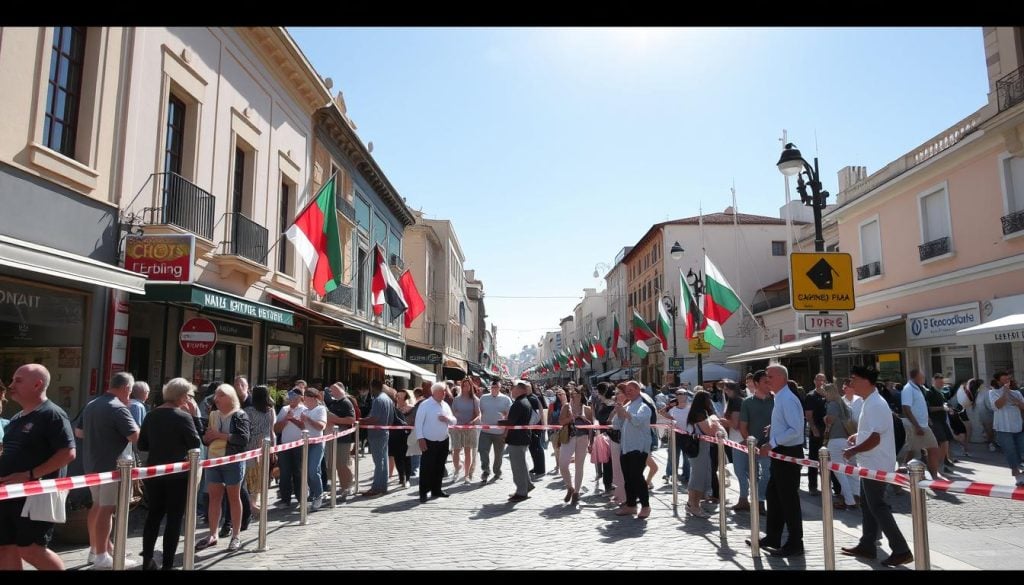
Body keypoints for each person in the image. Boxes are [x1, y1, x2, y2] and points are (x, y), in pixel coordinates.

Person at [0, 364, 76, 571]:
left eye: (18, 380)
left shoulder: (52, 414)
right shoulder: (17, 418)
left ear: (37, 384)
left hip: (35, 497)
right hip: (9, 495)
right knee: (5, 547)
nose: (11, 385)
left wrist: (29, 475)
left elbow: (68, 453)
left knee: (30, 548)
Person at [840, 366, 913, 567]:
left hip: (877, 464)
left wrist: (853, 450)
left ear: (866, 381)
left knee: (877, 506)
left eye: (854, 379)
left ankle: (901, 549)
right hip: (870, 463)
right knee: (869, 504)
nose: (850, 383)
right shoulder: (869, 402)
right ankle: (867, 544)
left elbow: (875, 438)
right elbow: (871, 433)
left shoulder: (875, 404)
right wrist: (858, 437)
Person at [78, 372, 141, 569]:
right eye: (129, 391)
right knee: (107, 510)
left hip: (92, 464)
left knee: (97, 507)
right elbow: (135, 436)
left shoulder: (91, 404)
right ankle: (102, 557)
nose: (129, 396)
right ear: (126, 388)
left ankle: (96, 549)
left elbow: (79, 432)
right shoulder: (119, 408)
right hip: (112, 466)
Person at [138, 378, 202, 570]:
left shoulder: (151, 415)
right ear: (182, 396)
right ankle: (167, 564)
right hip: (177, 475)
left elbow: (142, 444)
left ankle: (147, 559)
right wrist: (194, 417)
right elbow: (195, 443)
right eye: (189, 395)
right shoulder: (182, 417)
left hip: (154, 472)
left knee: (154, 515)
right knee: (174, 518)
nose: (190, 399)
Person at [748, 364, 805, 557]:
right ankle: (773, 536)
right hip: (782, 453)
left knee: (788, 500)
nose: (767, 380)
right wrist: (775, 427)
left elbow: (796, 430)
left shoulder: (787, 399)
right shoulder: (781, 398)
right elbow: (789, 424)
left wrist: (772, 443)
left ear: (781, 377)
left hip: (788, 453)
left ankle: (795, 543)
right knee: (774, 496)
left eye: (770, 376)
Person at [196, 384, 250, 552]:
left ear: (230, 397)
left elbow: (243, 439)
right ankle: (213, 534)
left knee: (234, 498)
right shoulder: (212, 415)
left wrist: (218, 435)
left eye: (220, 395)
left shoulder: (240, 415)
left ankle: (236, 536)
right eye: (216, 396)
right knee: (214, 498)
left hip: (232, 461)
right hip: (213, 461)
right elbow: (205, 438)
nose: (216, 399)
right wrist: (206, 436)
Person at [613, 381, 653, 519]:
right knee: (628, 478)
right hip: (626, 447)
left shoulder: (643, 406)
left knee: (637, 477)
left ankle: (646, 506)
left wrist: (625, 413)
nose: (627, 392)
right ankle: (631, 505)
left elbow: (636, 421)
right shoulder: (628, 405)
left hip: (639, 447)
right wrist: (619, 413)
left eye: (630, 390)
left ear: (637, 390)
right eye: (626, 390)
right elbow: (617, 425)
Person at [737, 370, 773, 515]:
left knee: (767, 472)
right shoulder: (747, 403)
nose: (768, 384)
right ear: (756, 383)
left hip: (771, 446)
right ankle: (758, 500)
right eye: (765, 381)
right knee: (754, 475)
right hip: (753, 446)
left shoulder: (776, 400)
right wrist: (751, 443)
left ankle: (760, 499)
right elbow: (743, 426)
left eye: (769, 381)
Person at [684, 389, 723, 518]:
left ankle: (691, 504)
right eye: (708, 399)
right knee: (698, 477)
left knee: (697, 475)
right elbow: (710, 431)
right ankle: (694, 506)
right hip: (700, 448)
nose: (710, 401)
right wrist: (715, 420)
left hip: (699, 447)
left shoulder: (696, 412)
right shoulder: (700, 414)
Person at [414, 382, 456, 503]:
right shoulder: (425, 405)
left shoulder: (445, 405)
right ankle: (423, 492)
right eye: (443, 391)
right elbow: (418, 423)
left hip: (443, 440)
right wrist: (420, 439)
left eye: (445, 391)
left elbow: (454, 420)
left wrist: (447, 419)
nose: (445, 393)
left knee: (439, 466)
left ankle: (436, 489)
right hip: (428, 440)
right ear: (435, 392)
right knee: (427, 467)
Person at [822, 383, 857, 510]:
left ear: (828, 392)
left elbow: (830, 420)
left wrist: (825, 419)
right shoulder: (843, 403)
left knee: (839, 471)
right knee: (849, 470)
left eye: (824, 393)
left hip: (835, 439)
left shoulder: (832, 404)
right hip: (846, 438)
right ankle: (855, 495)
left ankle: (849, 500)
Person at [242, 385, 275, 515]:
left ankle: (251, 505)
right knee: (259, 476)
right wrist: (274, 447)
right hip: (265, 446)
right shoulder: (270, 410)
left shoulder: (248, 411)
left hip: (251, 447)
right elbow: (271, 430)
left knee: (250, 477)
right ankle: (254, 503)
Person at [557, 385, 593, 505]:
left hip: (583, 438)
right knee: (562, 464)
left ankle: (576, 492)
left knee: (579, 465)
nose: (574, 397)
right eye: (572, 395)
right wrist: (570, 418)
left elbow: (592, 426)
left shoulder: (587, 409)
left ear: (581, 396)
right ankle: (569, 486)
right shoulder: (567, 407)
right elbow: (561, 422)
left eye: (576, 395)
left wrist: (591, 443)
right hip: (569, 437)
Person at [500, 381, 535, 502]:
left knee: (517, 466)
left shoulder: (519, 403)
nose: (511, 390)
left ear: (520, 390)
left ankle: (521, 492)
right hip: (522, 437)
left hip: (517, 439)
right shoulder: (524, 402)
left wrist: (499, 422)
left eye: (513, 388)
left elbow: (511, 422)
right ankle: (527, 485)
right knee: (521, 464)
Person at [988, 371, 1024, 485]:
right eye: (1003, 380)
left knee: (1022, 451)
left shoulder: (1017, 393)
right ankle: (1017, 475)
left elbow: (1023, 406)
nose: (1006, 382)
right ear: (998, 381)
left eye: (1007, 380)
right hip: (1003, 428)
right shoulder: (993, 393)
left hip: (1018, 427)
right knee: (1010, 451)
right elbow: (998, 405)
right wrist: (1005, 393)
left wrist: (1017, 402)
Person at [325, 383, 357, 496]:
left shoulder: (346, 403)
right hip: (331, 438)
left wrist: (335, 420)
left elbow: (351, 420)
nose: (330, 392)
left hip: (343, 439)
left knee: (342, 463)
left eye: (332, 390)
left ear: (339, 390)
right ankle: (333, 487)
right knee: (331, 464)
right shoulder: (334, 403)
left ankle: (348, 486)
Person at [478, 381, 513, 483]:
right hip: (485, 430)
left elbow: (509, 415)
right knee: (482, 451)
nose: (494, 389)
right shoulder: (484, 398)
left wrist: (506, 431)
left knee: (498, 454)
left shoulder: (506, 399)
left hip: (499, 432)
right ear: (490, 387)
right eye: (492, 387)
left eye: (496, 387)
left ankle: (497, 471)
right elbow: (480, 411)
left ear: (500, 387)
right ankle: (486, 470)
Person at [450, 383, 481, 483]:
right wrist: (455, 415)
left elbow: (479, 413)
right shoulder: (456, 399)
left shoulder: (475, 399)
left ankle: (467, 475)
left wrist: (473, 421)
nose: (466, 387)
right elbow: (452, 412)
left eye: (468, 385)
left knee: (468, 451)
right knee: (456, 450)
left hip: (470, 428)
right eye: (464, 385)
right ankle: (457, 469)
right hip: (457, 427)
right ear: (462, 386)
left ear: (471, 387)